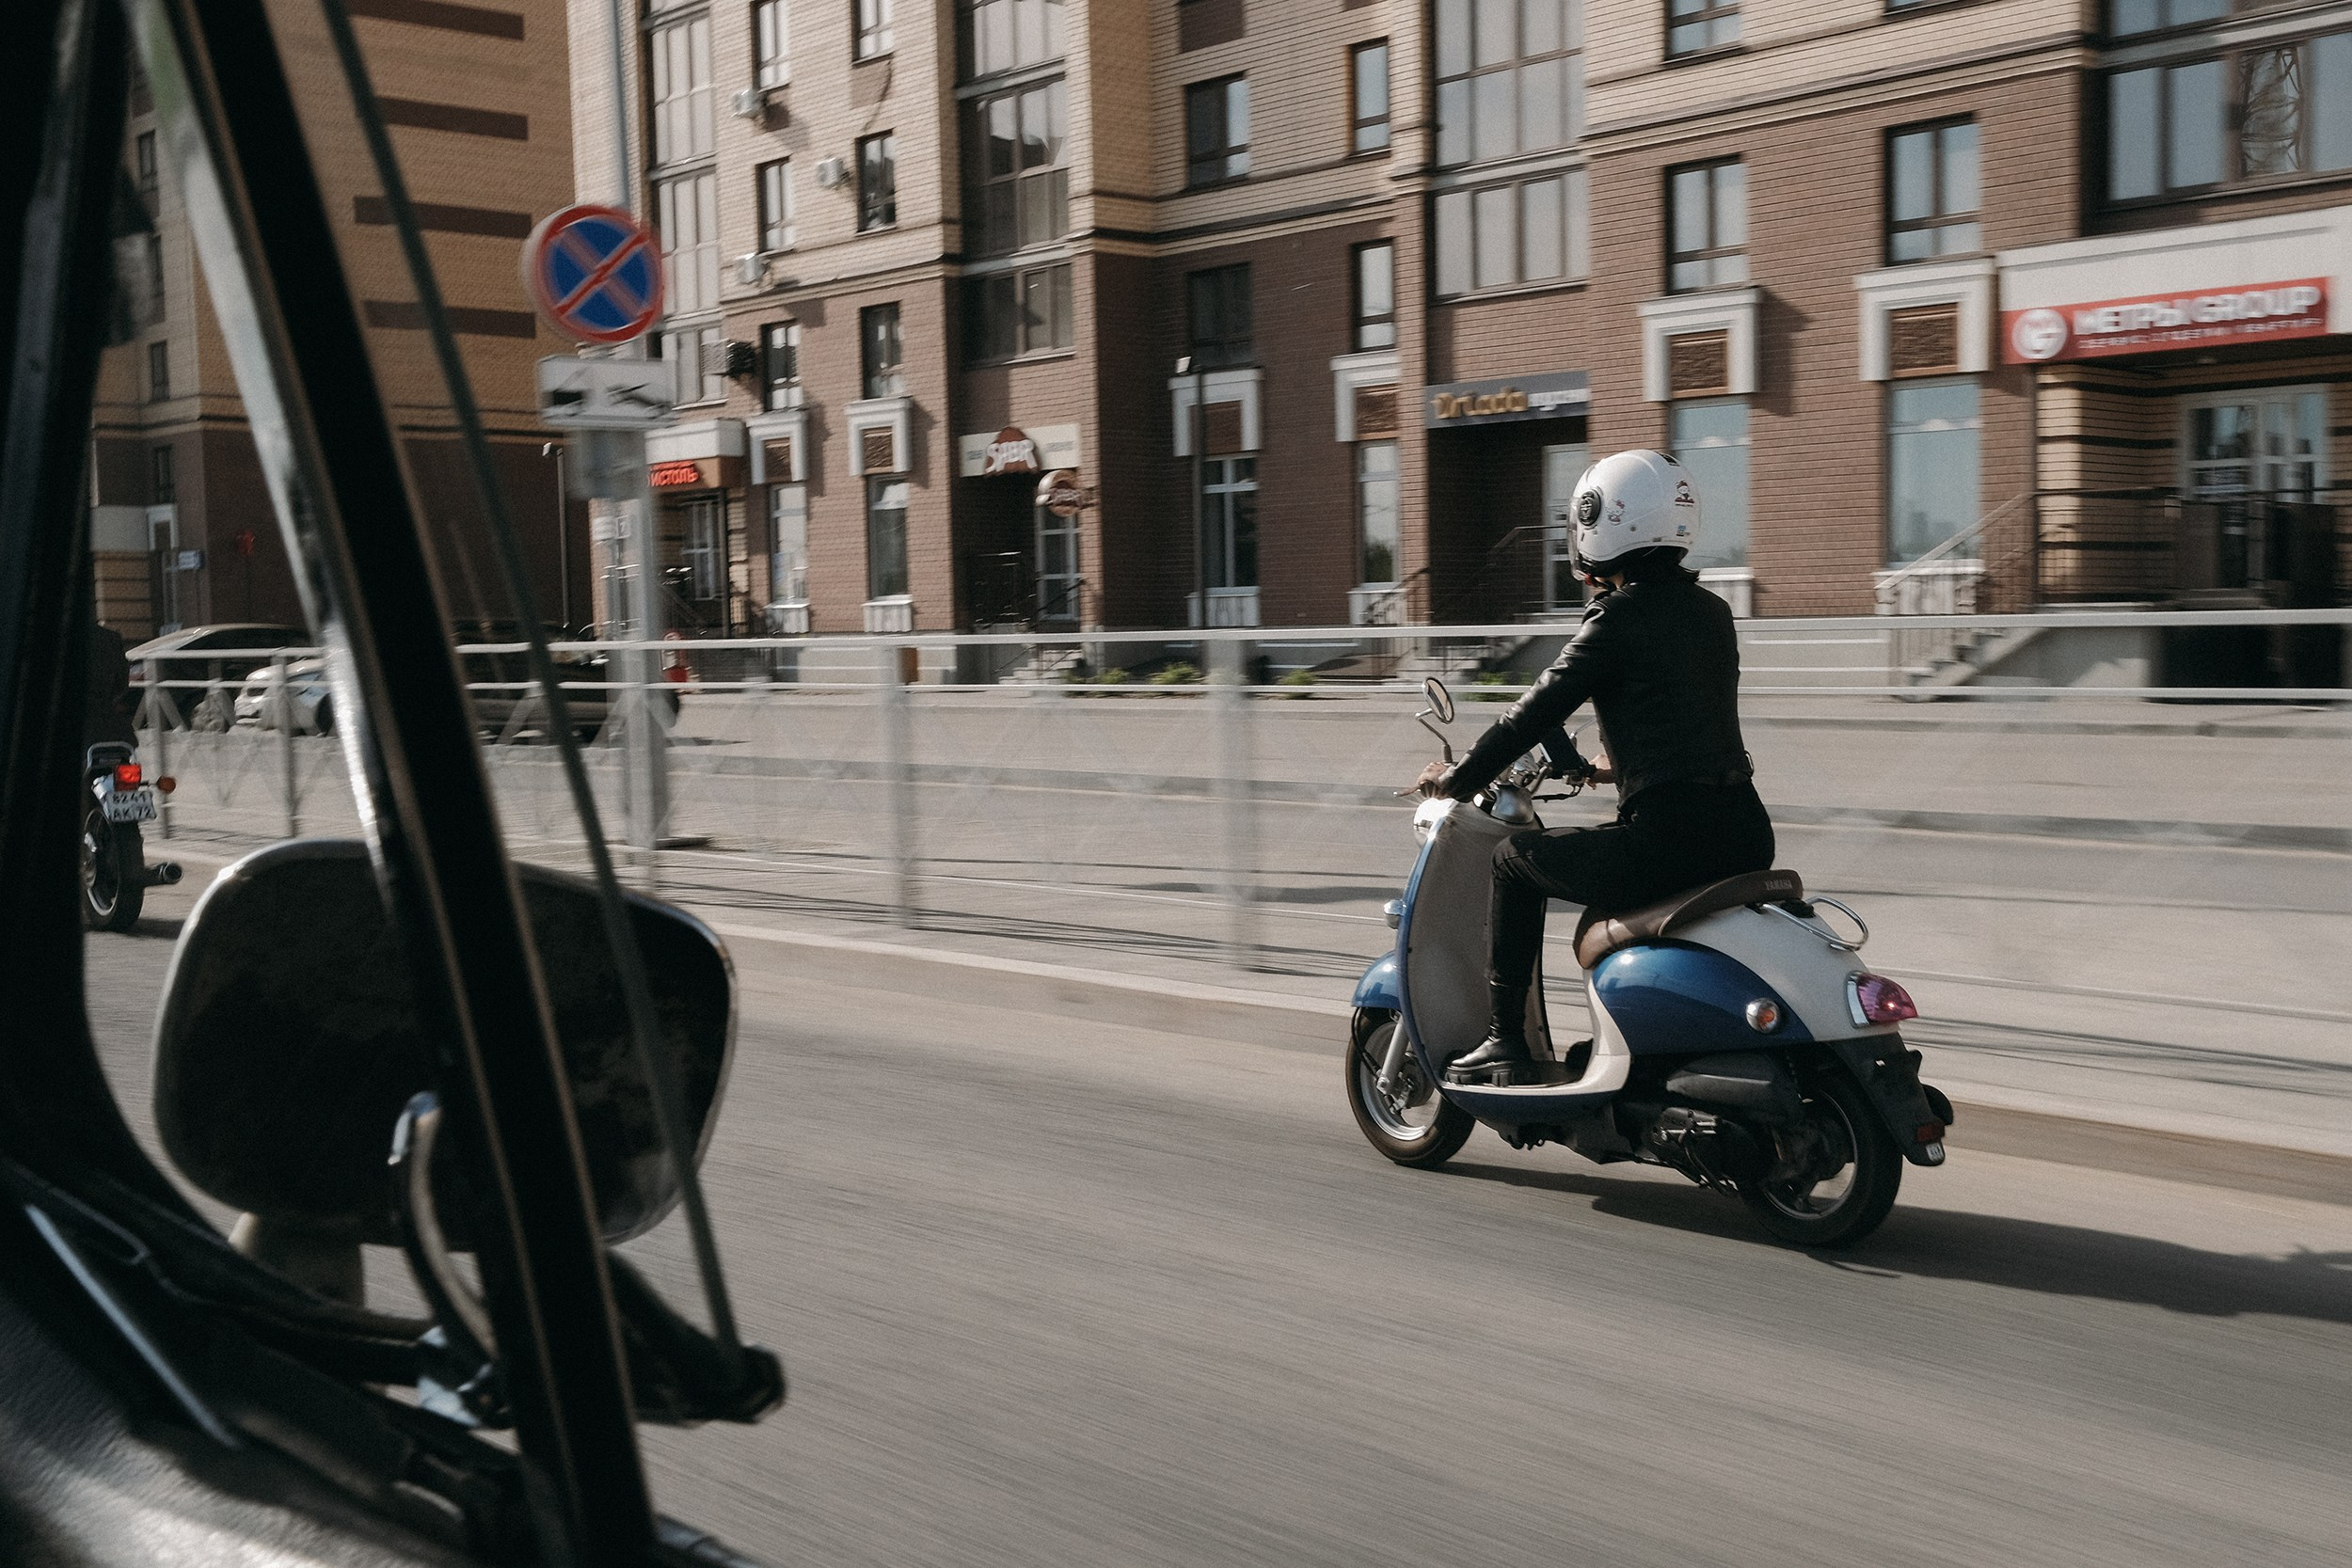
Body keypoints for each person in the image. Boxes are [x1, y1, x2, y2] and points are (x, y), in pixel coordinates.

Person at [1412, 449, 1774, 1086]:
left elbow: (1531, 713)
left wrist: (1457, 777)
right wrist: (1611, 767)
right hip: (1744, 831)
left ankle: (1504, 1042)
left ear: (1599, 519)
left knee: (1513, 863)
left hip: (1669, 839)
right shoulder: (1712, 613)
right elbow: (1681, 711)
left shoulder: (1616, 619)